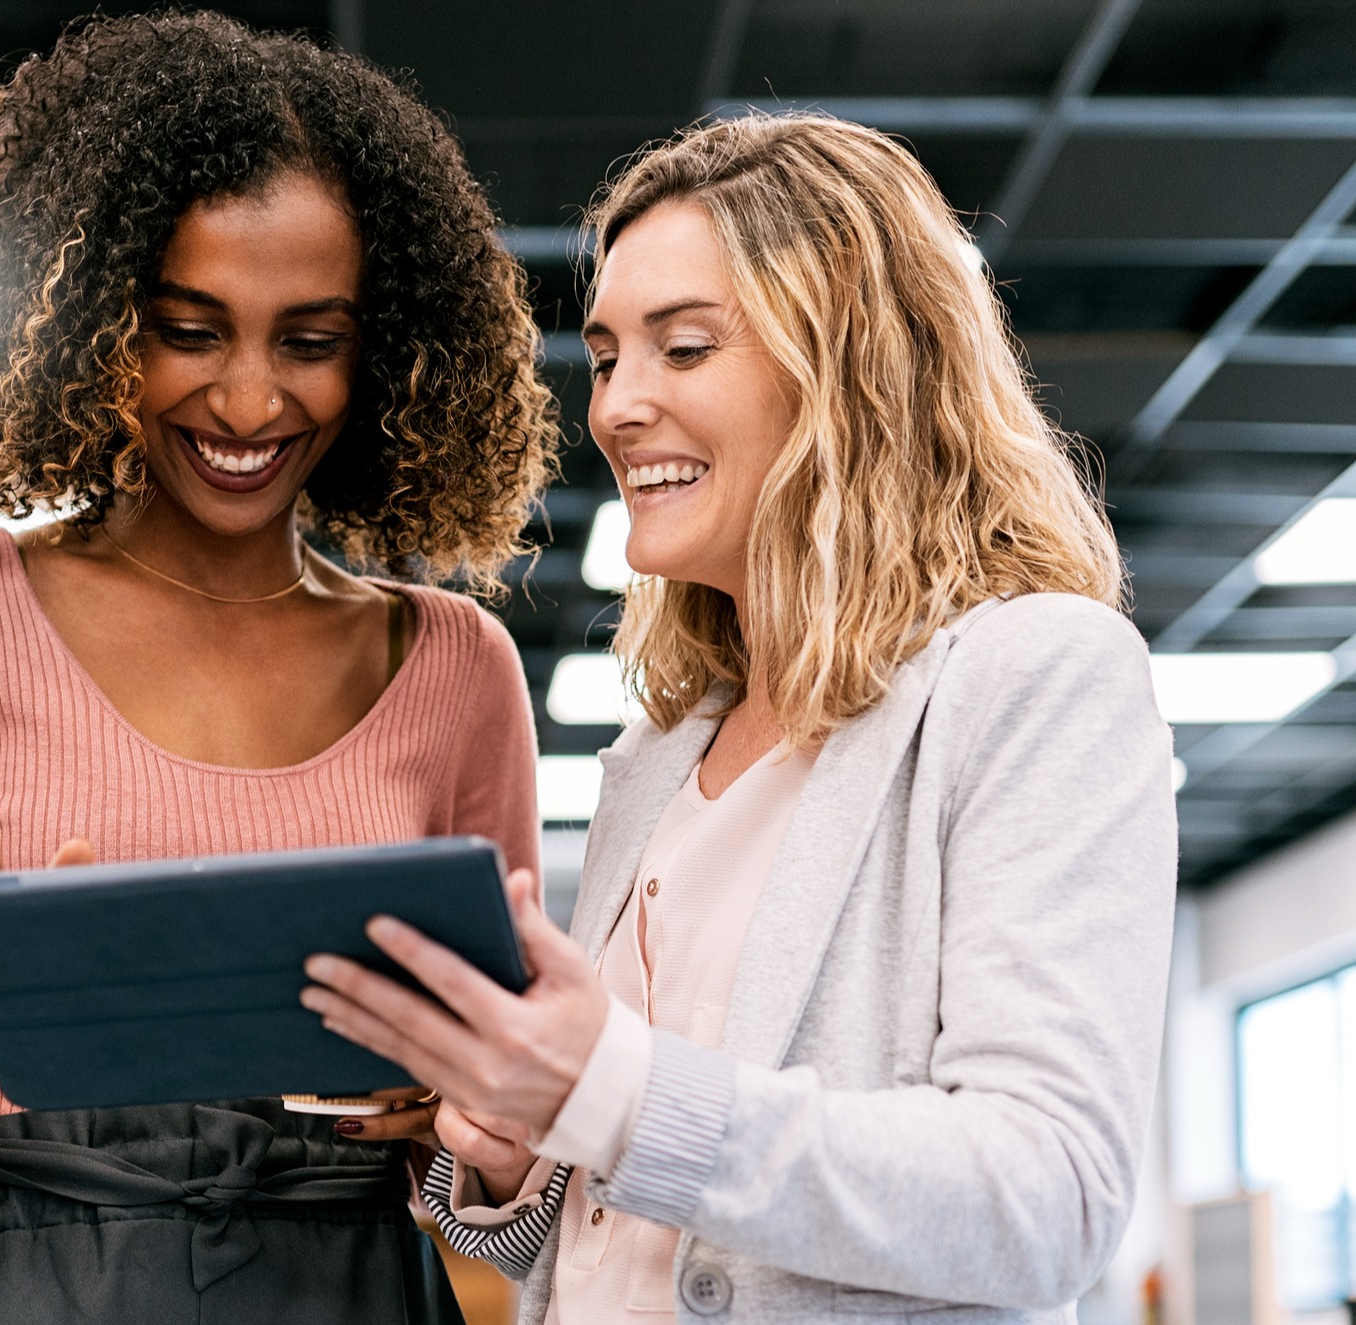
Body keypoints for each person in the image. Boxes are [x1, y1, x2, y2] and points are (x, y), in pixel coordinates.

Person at [0, 14, 557, 1323]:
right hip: (34, 1281)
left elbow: (492, 1182)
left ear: (387, 351)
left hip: (351, 1285)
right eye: (190, 329)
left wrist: (464, 1121)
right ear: (97, 322)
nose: (248, 401)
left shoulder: (454, 666)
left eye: (309, 340)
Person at [301, 113, 1176, 1324]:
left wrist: (607, 1085)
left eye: (683, 347)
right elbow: (611, 1231)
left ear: (848, 361)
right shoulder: (657, 758)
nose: (616, 406)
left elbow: (1047, 1198)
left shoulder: (1032, 676)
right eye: (607, 356)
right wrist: (506, 1148)